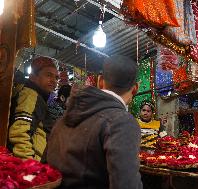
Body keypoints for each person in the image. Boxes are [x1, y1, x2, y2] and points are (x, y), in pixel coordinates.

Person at [47, 55, 143, 189]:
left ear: (100, 81)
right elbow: (126, 184)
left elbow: (45, 173)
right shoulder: (122, 122)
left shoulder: (62, 120)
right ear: (135, 89)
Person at [8, 56, 58, 161]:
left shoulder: (38, 97)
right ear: (32, 77)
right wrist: (30, 169)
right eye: (48, 75)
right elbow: (20, 134)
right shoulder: (30, 95)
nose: (54, 81)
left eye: (56, 77)